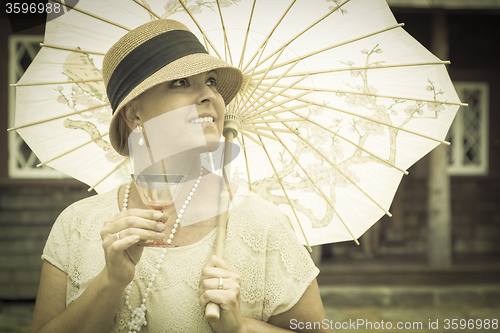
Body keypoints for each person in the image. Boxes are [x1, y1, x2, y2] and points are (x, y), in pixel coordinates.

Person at [30, 19, 330, 333]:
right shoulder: (77, 224)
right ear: (135, 115)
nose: (208, 96)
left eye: (211, 81)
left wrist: (240, 328)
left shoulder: (262, 225)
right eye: (180, 82)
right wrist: (111, 281)